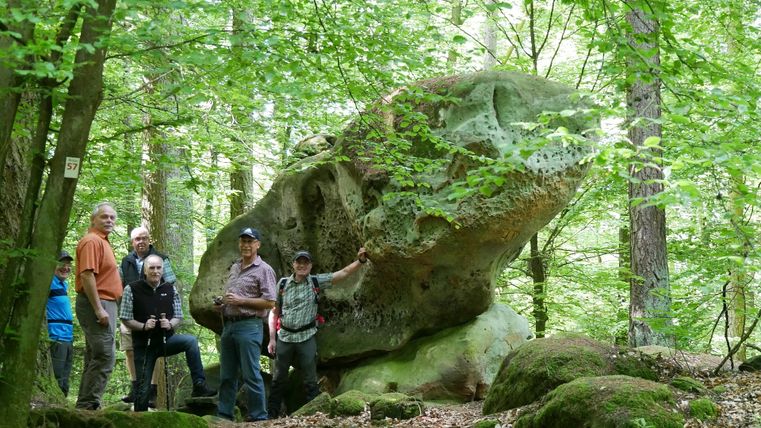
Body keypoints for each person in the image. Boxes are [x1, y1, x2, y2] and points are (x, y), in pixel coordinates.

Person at [266, 247, 369, 418]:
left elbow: (341, 274)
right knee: (279, 378)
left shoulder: (315, 282)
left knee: (310, 378)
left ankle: (313, 414)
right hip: (284, 335)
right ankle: (271, 414)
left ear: (310, 266)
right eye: (299, 262)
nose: (302, 265)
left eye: (305, 262)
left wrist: (361, 261)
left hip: (306, 336)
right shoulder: (283, 284)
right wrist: (272, 339)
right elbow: (274, 311)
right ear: (293, 264)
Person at [119, 254, 216, 411]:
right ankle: (139, 417)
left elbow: (178, 316)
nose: (156, 271)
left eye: (158, 268)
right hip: (143, 346)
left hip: (166, 341)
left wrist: (170, 324)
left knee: (190, 341)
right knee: (143, 394)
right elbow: (125, 318)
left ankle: (199, 384)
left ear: (163, 270)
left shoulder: (170, 289)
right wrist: (143, 326)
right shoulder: (132, 289)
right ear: (145, 270)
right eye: (152, 268)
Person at [215, 227, 277, 422]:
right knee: (227, 375)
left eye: (250, 241)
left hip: (249, 326)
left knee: (251, 374)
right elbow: (232, 298)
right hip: (229, 325)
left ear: (258, 244)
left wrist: (241, 301)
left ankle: (259, 417)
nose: (246, 245)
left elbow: (270, 302)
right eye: (243, 241)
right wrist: (222, 304)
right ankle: (224, 416)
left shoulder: (264, 269)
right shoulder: (235, 267)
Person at [119, 226, 177, 405]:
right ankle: (136, 388)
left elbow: (170, 282)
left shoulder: (161, 259)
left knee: (154, 349)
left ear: (149, 240)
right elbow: (119, 283)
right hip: (131, 312)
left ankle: (151, 390)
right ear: (132, 242)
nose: (141, 242)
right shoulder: (126, 261)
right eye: (137, 239)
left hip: (156, 313)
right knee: (130, 350)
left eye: (144, 238)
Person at [74, 202, 122, 410]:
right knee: (104, 354)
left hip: (106, 303)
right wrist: (98, 309)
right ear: (93, 219)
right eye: (104, 217)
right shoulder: (92, 241)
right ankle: (88, 405)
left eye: (112, 217)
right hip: (97, 302)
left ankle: (85, 403)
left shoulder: (103, 242)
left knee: (96, 354)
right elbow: (86, 275)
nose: (109, 220)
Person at [46, 251, 75, 397]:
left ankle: (62, 403)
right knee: (57, 376)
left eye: (68, 264)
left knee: (65, 378)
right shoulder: (48, 282)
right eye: (61, 263)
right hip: (56, 336)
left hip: (68, 337)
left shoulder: (63, 284)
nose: (66, 267)